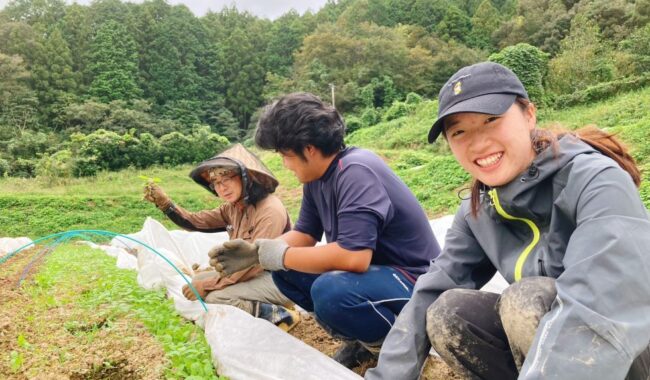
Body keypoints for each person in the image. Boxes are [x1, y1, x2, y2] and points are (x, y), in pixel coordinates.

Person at [366, 62, 650, 379]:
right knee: (448, 313)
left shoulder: (595, 179)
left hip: (629, 342)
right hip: (557, 355)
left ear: (529, 114)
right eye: (459, 131)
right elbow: (431, 292)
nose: (477, 142)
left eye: (491, 120)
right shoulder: (480, 209)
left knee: (524, 300)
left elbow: (599, 305)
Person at [209, 92, 441, 369]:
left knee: (331, 291)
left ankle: (399, 347)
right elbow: (305, 234)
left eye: (285, 155)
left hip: (414, 281)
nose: (284, 164)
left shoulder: (355, 172)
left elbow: (354, 257)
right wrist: (258, 251)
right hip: (376, 278)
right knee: (286, 270)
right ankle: (364, 340)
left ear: (309, 148)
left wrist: (276, 255)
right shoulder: (317, 179)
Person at [143, 143, 299, 331]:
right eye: (216, 183)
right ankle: (270, 306)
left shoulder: (270, 211)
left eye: (226, 178)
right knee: (196, 283)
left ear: (245, 177)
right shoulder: (233, 208)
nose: (222, 187)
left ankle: (281, 315)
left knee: (216, 297)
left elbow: (252, 265)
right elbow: (196, 221)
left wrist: (209, 286)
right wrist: (166, 204)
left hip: (279, 280)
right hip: (252, 274)